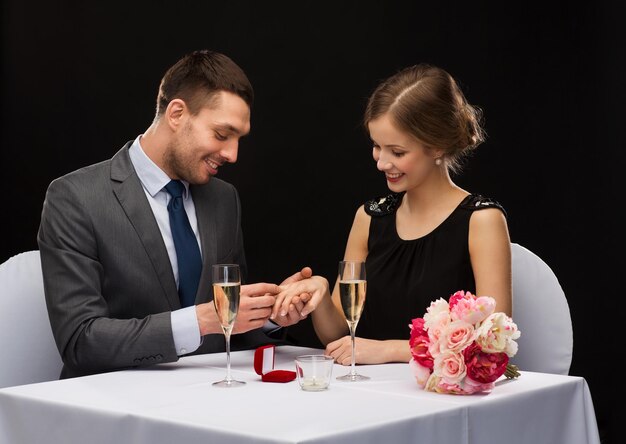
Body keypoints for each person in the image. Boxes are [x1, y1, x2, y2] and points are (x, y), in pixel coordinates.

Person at [38, 50, 308, 379]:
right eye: (222, 135)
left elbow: (227, 330)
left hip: (212, 400)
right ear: (177, 114)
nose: (232, 155)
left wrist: (269, 316)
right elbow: (81, 342)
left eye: (238, 140)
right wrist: (201, 319)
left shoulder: (224, 199)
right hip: (112, 408)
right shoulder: (75, 198)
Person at [272, 63, 512, 365]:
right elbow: (339, 336)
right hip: (370, 394)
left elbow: (493, 340)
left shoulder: (482, 220)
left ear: (437, 146)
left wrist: (388, 350)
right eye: (376, 146)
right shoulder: (369, 218)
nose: (381, 163)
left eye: (397, 152)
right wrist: (318, 294)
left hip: (442, 401)